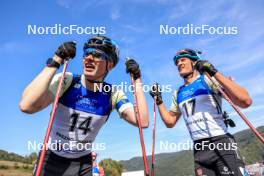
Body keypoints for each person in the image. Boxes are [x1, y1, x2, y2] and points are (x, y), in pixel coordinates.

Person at [19, 35, 149, 176]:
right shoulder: (67, 80)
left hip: (82, 163)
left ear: (110, 65)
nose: (89, 58)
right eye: (87, 53)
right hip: (51, 158)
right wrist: (57, 59)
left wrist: (137, 79)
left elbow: (142, 121)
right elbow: (27, 106)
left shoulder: (112, 93)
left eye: (97, 55)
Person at [150, 49, 252, 176]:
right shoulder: (178, 93)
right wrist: (159, 101)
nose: (179, 64)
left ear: (194, 63)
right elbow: (170, 122)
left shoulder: (206, 80)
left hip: (220, 142)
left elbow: (245, 101)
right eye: (177, 62)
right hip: (199, 149)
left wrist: (213, 71)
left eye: (183, 60)